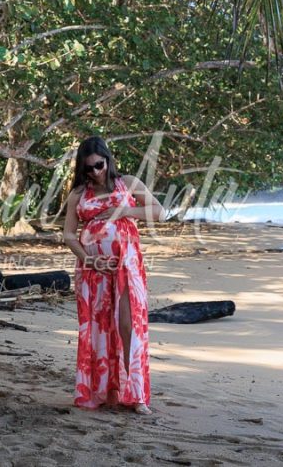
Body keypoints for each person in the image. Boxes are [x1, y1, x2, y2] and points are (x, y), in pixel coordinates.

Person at [62, 136, 165, 415]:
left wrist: (124, 210)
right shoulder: (78, 194)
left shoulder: (128, 183)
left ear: (108, 159)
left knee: (127, 325)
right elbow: (69, 234)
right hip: (93, 271)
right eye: (88, 169)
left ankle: (137, 394)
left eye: (98, 165)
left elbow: (160, 212)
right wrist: (89, 260)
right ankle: (107, 392)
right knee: (98, 330)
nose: (95, 172)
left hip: (126, 267)